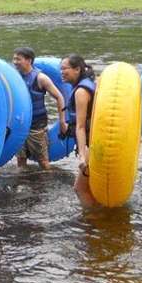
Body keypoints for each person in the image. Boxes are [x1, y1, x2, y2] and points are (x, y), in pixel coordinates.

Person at [12, 47, 67, 170]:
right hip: (20, 124)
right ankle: (23, 184)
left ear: (29, 60)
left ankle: (47, 186)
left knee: (43, 161)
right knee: (20, 160)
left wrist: (62, 121)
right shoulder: (14, 77)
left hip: (36, 125)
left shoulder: (40, 78)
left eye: (18, 59)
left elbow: (59, 97)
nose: (15, 62)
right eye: (14, 58)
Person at [60, 54, 97, 206]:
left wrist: (82, 155)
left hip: (90, 145)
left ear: (77, 69)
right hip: (95, 142)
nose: (61, 72)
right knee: (89, 187)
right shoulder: (88, 83)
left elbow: (81, 126)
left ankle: (92, 221)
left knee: (80, 189)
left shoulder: (81, 91)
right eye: (60, 69)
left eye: (65, 69)